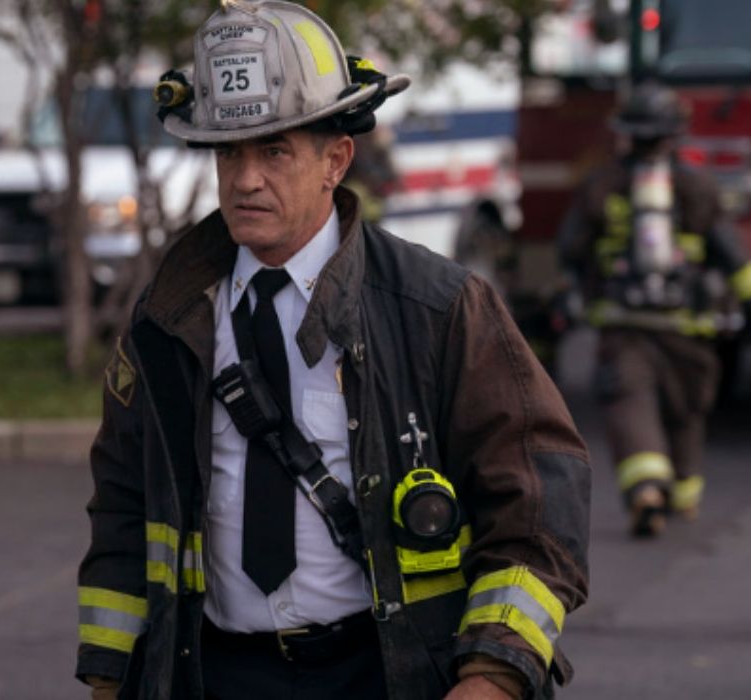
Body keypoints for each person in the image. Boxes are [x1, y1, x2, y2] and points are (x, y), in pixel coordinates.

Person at [76, 3, 591, 699]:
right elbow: (123, 503)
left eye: (275, 151)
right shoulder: (168, 319)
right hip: (215, 674)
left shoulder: (436, 307)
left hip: (385, 673)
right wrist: (111, 680)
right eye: (229, 153)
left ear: (335, 159)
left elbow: (537, 497)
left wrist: (492, 675)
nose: (246, 178)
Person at [558, 83, 751, 537]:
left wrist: (574, 294)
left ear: (627, 133)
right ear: (676, 134)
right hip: (686, 327)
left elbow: (571, 249)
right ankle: (684, 495)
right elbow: (731, 252)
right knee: (686, 411)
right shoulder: (697, 185)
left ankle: (646, 490)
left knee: (629, 404)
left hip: (621, 324)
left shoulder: (599, 184)